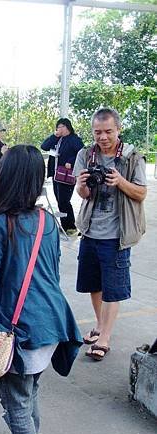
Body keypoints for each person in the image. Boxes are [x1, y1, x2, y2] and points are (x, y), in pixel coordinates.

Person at [0, 145, 82, 434]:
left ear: (6, 178)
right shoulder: (48, 221)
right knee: (30, 392)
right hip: (52, 323)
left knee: (16, 402)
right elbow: (52, 272)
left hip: (19, 330)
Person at [74, 107, 147, 361]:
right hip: (91, 230)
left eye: (108, 131)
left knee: (112, 288)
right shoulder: (85, 154)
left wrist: (120, 182)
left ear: (118, 129)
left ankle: (104, 337)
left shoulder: (131, 158)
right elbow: (83, 195)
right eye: (97, 132)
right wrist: (82, 186)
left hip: (117, 234)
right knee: (93, 284)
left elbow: (141, 193)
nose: (102, 137)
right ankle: (99, 324)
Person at [41, 117, 84, 235]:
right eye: (57, 127)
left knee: (65, 201)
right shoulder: (57, 139)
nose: (59, 129)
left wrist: (72, 161)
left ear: (67, 127)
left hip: (67, 175)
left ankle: (71, 226)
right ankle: (65, 225)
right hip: (56, 174)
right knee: (59, 200)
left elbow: (83, 153)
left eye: (61, 127)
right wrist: (54, 136)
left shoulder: (74, 139)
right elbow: (44, 146)